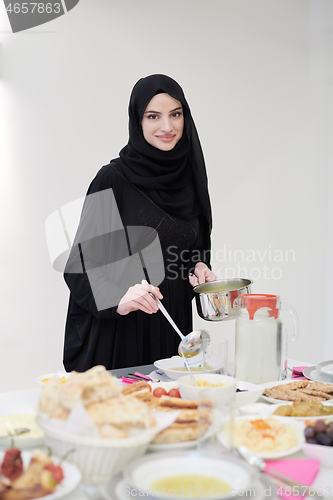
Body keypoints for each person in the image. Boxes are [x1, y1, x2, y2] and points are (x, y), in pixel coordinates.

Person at [63, 74, 216, 372]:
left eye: (175, 114)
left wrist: (198, 269)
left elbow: (190, 248)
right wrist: (118, 298)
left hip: (173, 334)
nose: (167, 126)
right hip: (121, 336)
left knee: (174, 415)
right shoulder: (113, 179)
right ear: (138, 120)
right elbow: (79, 265)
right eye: (153, 116)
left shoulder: (190, 179)